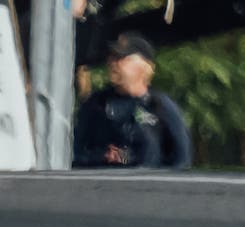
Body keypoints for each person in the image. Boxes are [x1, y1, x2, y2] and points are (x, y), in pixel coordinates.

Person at [71, 33, 192, 170]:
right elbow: (75, 154)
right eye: (111, 57)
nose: (113, 63)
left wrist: (129, 159)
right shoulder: (96, 105)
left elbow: (181, 161)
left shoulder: (160, 106)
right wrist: (104, 156)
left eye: (121, 58)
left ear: (146, 67)